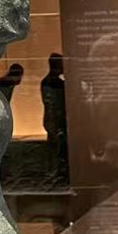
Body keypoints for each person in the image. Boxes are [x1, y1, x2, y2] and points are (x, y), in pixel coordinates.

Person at [41, 52, 68, 184]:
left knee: (55, 148)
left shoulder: (48, 81)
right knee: (57, 149)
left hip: (53, 119)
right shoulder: (54, 83)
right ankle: (54, 175)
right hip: (55, 120)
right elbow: (55, 105)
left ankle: (53, 174)